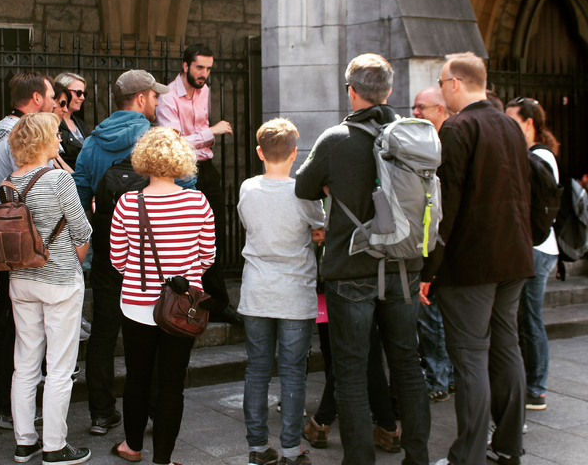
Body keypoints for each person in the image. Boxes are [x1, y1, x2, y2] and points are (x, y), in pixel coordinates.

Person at [295, 53, 430, 465]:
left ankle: (359, 460)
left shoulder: (337, 139)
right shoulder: (412, 136)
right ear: (389, 91)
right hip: (404, 267)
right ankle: (418, 458)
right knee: (408, 365)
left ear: (351, 90)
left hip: (352, 268)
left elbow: (304, 187)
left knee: (351, 371)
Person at [423, 52, 534, 465]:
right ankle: (507, 448)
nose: (440, 90)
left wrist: (428, 269)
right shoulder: (509, 124)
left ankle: (466, 457)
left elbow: (444, 207)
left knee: (470, 356)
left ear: (454, 83)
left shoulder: (458, 127)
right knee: (506, 349)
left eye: (440, 82)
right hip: (514, 258)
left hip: (472, 264)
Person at [109, 127, 216, 465]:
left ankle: (132, 446)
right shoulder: (197, 201)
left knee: (137, 378)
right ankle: (164, 460)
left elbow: (118, 260)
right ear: (181, 161)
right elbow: (207, 257)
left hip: (138, 305)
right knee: (171, 383)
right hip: (182, 309)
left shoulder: (128, 203)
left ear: (144, 160)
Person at [73, 69, 169, 436]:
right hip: (152, 256)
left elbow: (79, 200)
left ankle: (101, 411)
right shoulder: (154, 139)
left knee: (103, 331)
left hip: (107, 253)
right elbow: (186, 185)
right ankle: (153, 410)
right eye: (155, 96)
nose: (158, 101)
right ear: (141, 98)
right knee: (150, 330)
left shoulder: (92, 143)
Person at [6, 113, 93, 465]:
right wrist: (73, 262)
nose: (60, 137)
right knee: (59, 366)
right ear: (43, 140)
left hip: (22, 279)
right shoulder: (59, 178)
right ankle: (55, 446)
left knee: (25, 363)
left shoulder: (10, 182)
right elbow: (83, 232)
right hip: (59, 282)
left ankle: (24, 442)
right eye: (55, 133)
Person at [237, 119, 325, 465]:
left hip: (257, 290)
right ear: (295, 153)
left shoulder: (247, 188)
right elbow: (320, 225)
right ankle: (291, 448)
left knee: (256, 370)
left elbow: (250, 224)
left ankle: (258, 447)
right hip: (295, 292)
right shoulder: (302, 191)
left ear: (259, 152)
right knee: (292, 372)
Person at [0, 72, 57, 431]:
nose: (56, 101)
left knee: (5, 324)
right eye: (52, 95)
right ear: (37, 99)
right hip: (20, 241)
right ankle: (10, 409)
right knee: (18, 329)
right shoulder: (23, 136)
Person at [156, 43, 240, 324]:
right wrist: (210, 132)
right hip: (181, 172)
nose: (204, 74)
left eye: (208, 68)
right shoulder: (168, 97)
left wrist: (206, 136)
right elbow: (174, 141)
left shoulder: (204, 91)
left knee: (212, 235)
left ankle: (216, 303)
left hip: (205, 167)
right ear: (185, 66)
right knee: (187, 236)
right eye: (199, 67)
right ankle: (188, 298)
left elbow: (196, 137)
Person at [506, 96, 560, 411]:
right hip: (535, 248)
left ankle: (537, 387)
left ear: (529, 124)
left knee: (530, 319)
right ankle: (531, 382)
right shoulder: (535, 154)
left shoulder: (539, 157)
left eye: (513, 121)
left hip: (537, 249)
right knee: (525, 318)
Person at [412, 87, 455, 403]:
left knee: (432, 319)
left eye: (421, 107)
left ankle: (439, 379)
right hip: (433, 247)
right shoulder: (427, 145)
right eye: (414, 107)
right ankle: (446, 376)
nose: (415, 113)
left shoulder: (446, 147)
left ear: (441, 109)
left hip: (438, 250)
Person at [54, 72, 91, 169]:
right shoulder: (53, 125)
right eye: (78, 93)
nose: (82, 98)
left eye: (84, 94)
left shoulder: (81, 124)